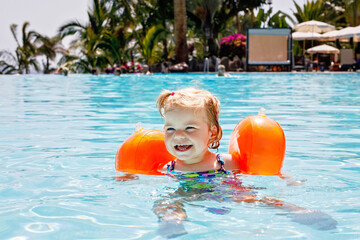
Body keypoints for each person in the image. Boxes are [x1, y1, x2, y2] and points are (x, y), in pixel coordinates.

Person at [153, 87, 337, 238]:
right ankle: (173, 220)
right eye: (170, 128)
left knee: (257, 198)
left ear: (212, 132)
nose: (178, 135)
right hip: (186, 195)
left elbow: (270, 172)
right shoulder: (168, 168)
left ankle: (295, 211)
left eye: (189, 128)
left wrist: (289, 180)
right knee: (167, 202)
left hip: (229, 194)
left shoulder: (225, 162)